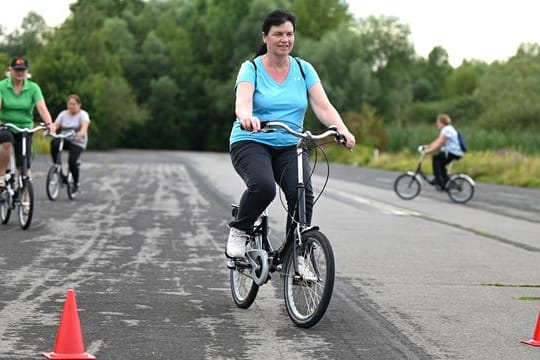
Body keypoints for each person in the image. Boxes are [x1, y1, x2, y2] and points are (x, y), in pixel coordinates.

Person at [226, 10, 356, 273]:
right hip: (252, 140)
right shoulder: (251, 68)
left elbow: (323, 106)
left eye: (289, 34)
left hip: (290, 143)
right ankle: (240, 230)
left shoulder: (303, 68)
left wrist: (342, 129)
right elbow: (243, 102)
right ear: (265, 37)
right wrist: (248, 117)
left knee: (302, 195)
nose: (285, 39)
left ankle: (297, 256)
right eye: (278, 34)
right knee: (263, 187)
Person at [0, 56, 55, 189]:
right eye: (17, 70)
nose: (20, 73)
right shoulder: (2, 86)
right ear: (10, 70)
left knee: (24, 164)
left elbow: (42, 107)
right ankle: (1, 176)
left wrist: (50, 124)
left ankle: (25, 196)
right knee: (6, 141)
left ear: (26, 71)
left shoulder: (33, 88)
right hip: (6, 125)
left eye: (22, 70)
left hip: (25, 128)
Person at [50, 94, 90, 195]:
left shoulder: (83, 115)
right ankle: (57, 167)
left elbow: (85, 126)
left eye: (74, 104)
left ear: (79, 105)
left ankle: (76, 183)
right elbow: (56, 125)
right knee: (54, 142)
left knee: (72, 162)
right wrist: (50, 130)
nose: (71, 106)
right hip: (65, 140)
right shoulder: (63, 114)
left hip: (77, 142)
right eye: (69, 104)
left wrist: (81, 133)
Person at [420, 113, 464, 189]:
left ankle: (438, 179)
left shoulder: (447, 130)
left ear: (442, 122)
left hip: (453, 152)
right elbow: (437, 141)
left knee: (436, 158)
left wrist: (428, 151)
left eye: (437, 122)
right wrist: (427, 146)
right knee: (440, 164)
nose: (437, 124)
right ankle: (445, 180)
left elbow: (439, 144)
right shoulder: (447, 129)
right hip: (453, 152)